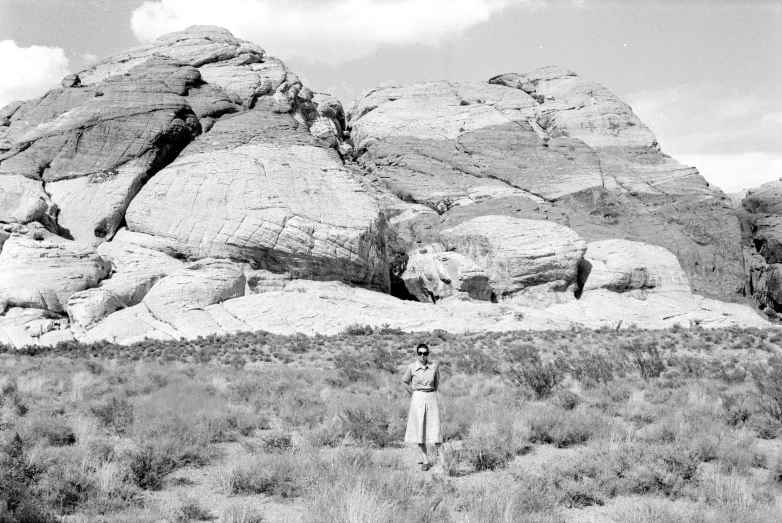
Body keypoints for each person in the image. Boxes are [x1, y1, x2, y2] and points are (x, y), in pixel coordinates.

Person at [401, 342, 444, 471]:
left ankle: (443, 461)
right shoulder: (411, 367)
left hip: (431, 397)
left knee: (436, 429)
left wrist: (430, 392)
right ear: (417, 354)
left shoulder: (434, 367)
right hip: (418, 399)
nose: (422, 356)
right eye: (420, 353)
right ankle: (425, 460)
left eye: (425, 353)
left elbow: (436, 383)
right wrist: (414, 393)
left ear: (428, 354)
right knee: (420, 429)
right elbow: (404, 381)